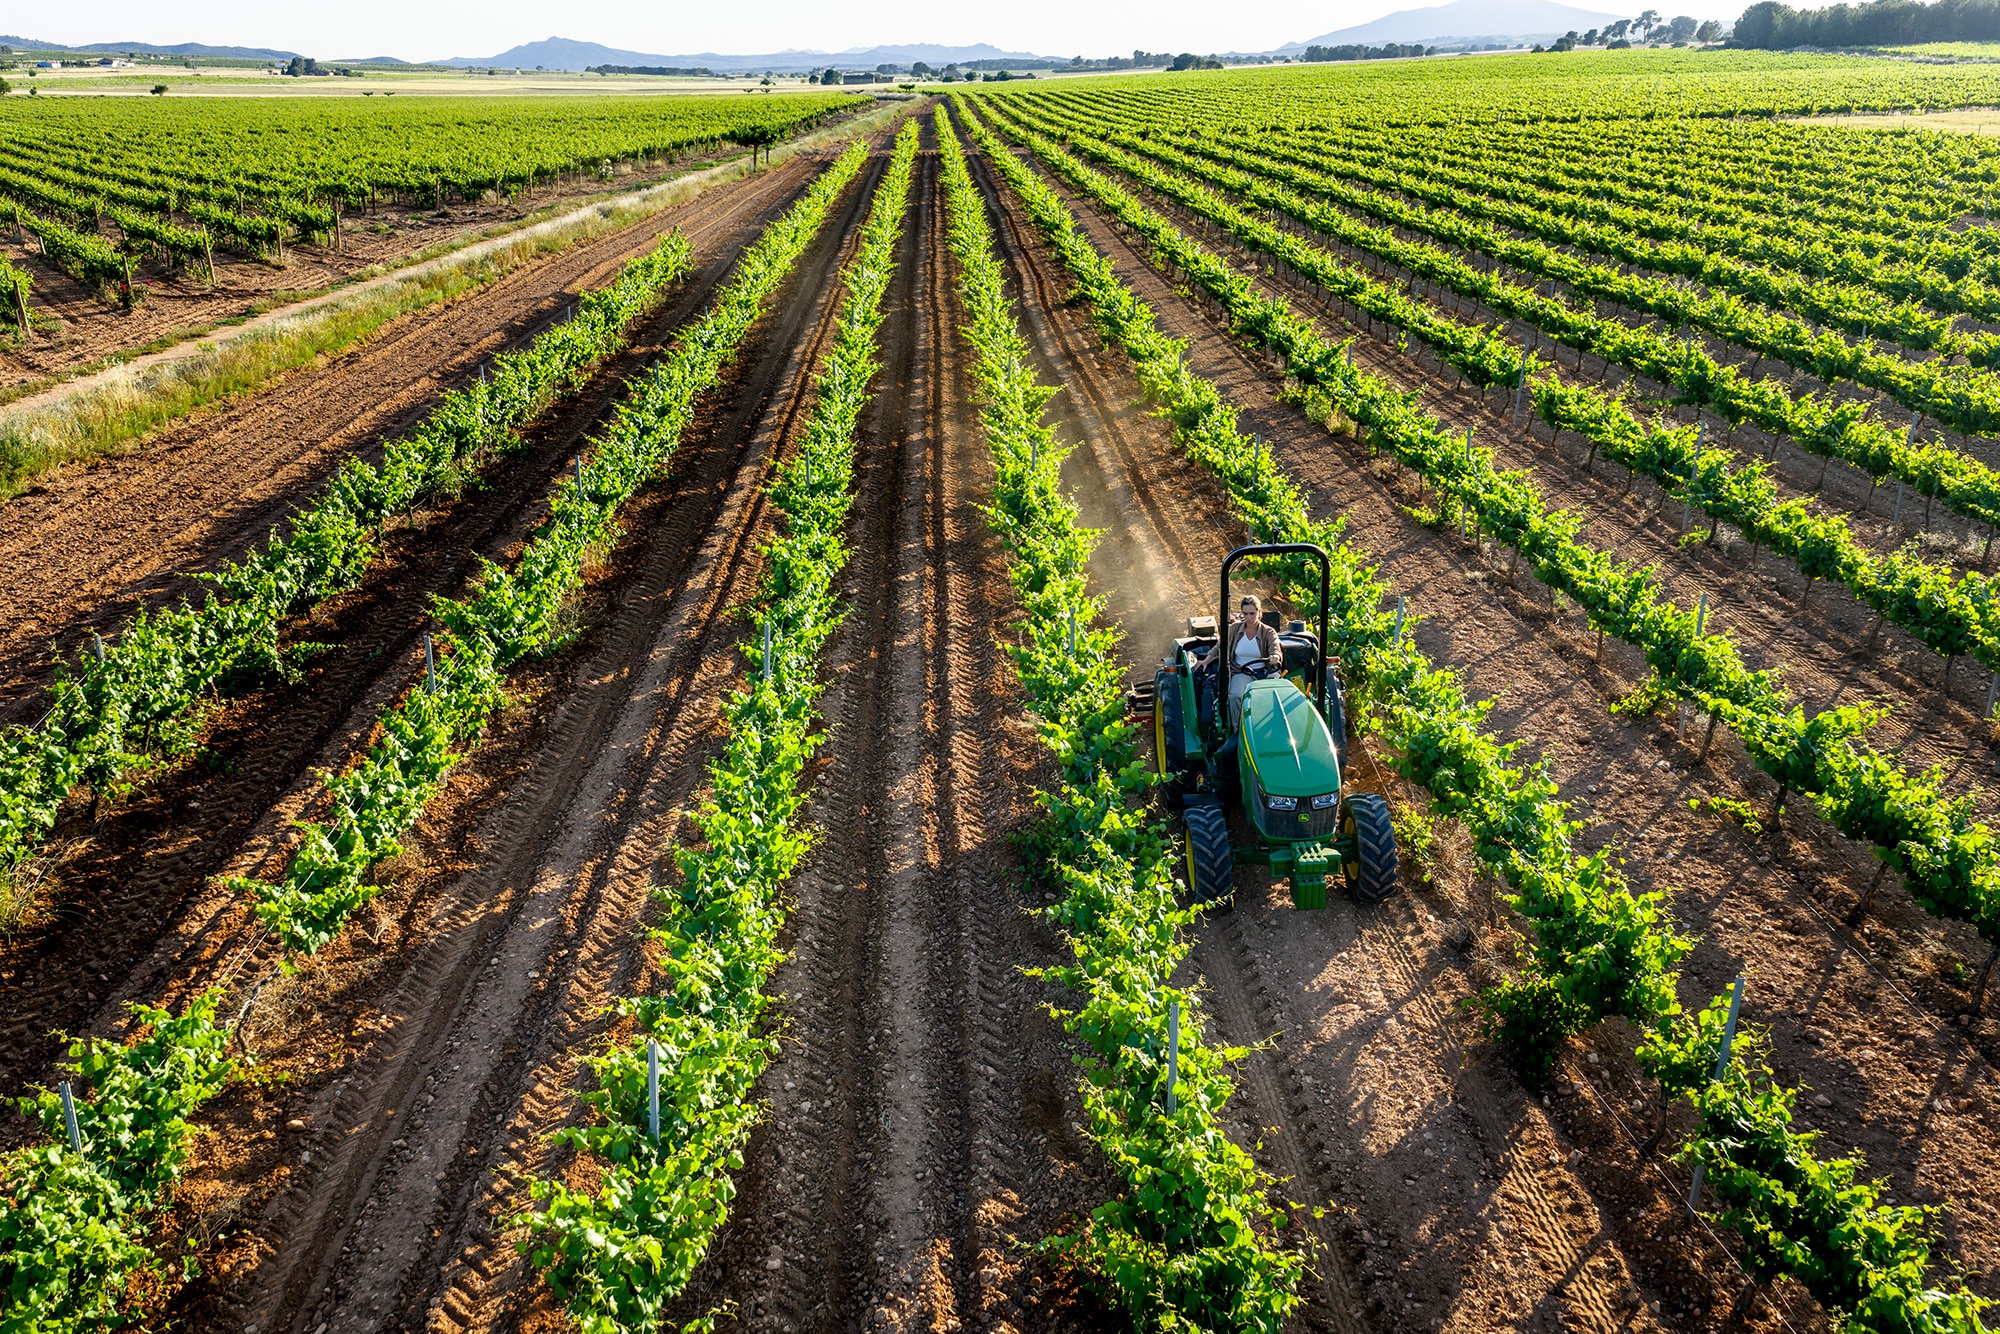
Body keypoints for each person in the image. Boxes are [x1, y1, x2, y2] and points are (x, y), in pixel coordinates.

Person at [1199, 593, 1284, 729]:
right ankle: (1238, 730)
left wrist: (1275, 657)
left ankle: (1276, 727)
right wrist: (1206, 661)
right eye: (1245, 614)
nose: (1249, 617)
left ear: (1259, 612)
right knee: (1235, 696)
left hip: (1265, 671)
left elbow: (1275, 648)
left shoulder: (1268, 632)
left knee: (1278, 694)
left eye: (1252, 613)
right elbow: (1219, 648)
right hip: (1241, 671)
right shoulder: (1233, 630)